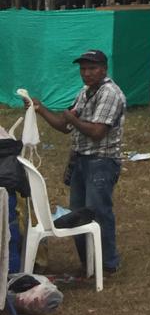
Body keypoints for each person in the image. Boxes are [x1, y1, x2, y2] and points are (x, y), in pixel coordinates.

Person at [29, 49, 126, 276]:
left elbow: (97, 132)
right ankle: (89, 265)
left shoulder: (110, 93)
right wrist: (40, 108)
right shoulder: (85, 93)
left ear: (104, 69)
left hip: (101, 162)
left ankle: (108, 264)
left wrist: (73, 118)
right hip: (81, 161)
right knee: (79, 214)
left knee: (99, 212)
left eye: (92, 68)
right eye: (83, 69)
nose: (86, 73)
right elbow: (64, 126)